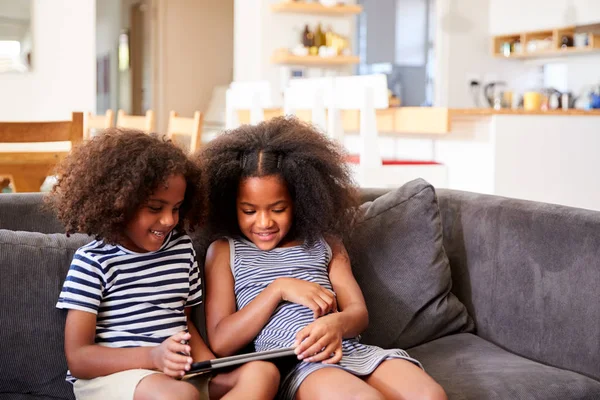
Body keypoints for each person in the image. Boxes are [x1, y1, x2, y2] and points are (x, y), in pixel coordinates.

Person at [196, 117, 447, 400]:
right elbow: (221, 341)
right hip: (300, 363)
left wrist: (336, 324)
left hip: (351, 349)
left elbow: (358, 313)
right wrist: (278, 289)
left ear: (300, 201)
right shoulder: (225, 251)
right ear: (232, 206)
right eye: (249, 210)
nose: (264, 222)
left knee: (431, 396)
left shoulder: (326, 244)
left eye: (277, 209)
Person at [48, 128, 279, 400]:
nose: (169, 220)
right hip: (116, 378)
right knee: (178, 395)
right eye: (155, 208)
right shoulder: (93, 262)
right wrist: (154, 357)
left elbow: (184, 324)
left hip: (176, 376)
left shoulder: (181, 249)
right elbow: (79, 358)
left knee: (263, 373)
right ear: (118, 204)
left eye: (176, 207)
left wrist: (208, 368)